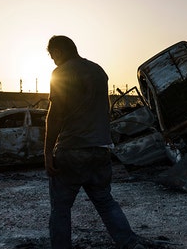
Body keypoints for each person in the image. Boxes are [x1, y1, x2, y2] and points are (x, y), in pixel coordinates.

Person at [44, 35, 144, 249]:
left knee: (61, 209)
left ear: (59, 51)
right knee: (105, 202)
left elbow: (55, 115)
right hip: (100, 150)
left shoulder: (61, 73)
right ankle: (131, 245)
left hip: (72, 149)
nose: (53, 60)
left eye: (52, 55)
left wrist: (47, 152)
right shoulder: (99, 71)